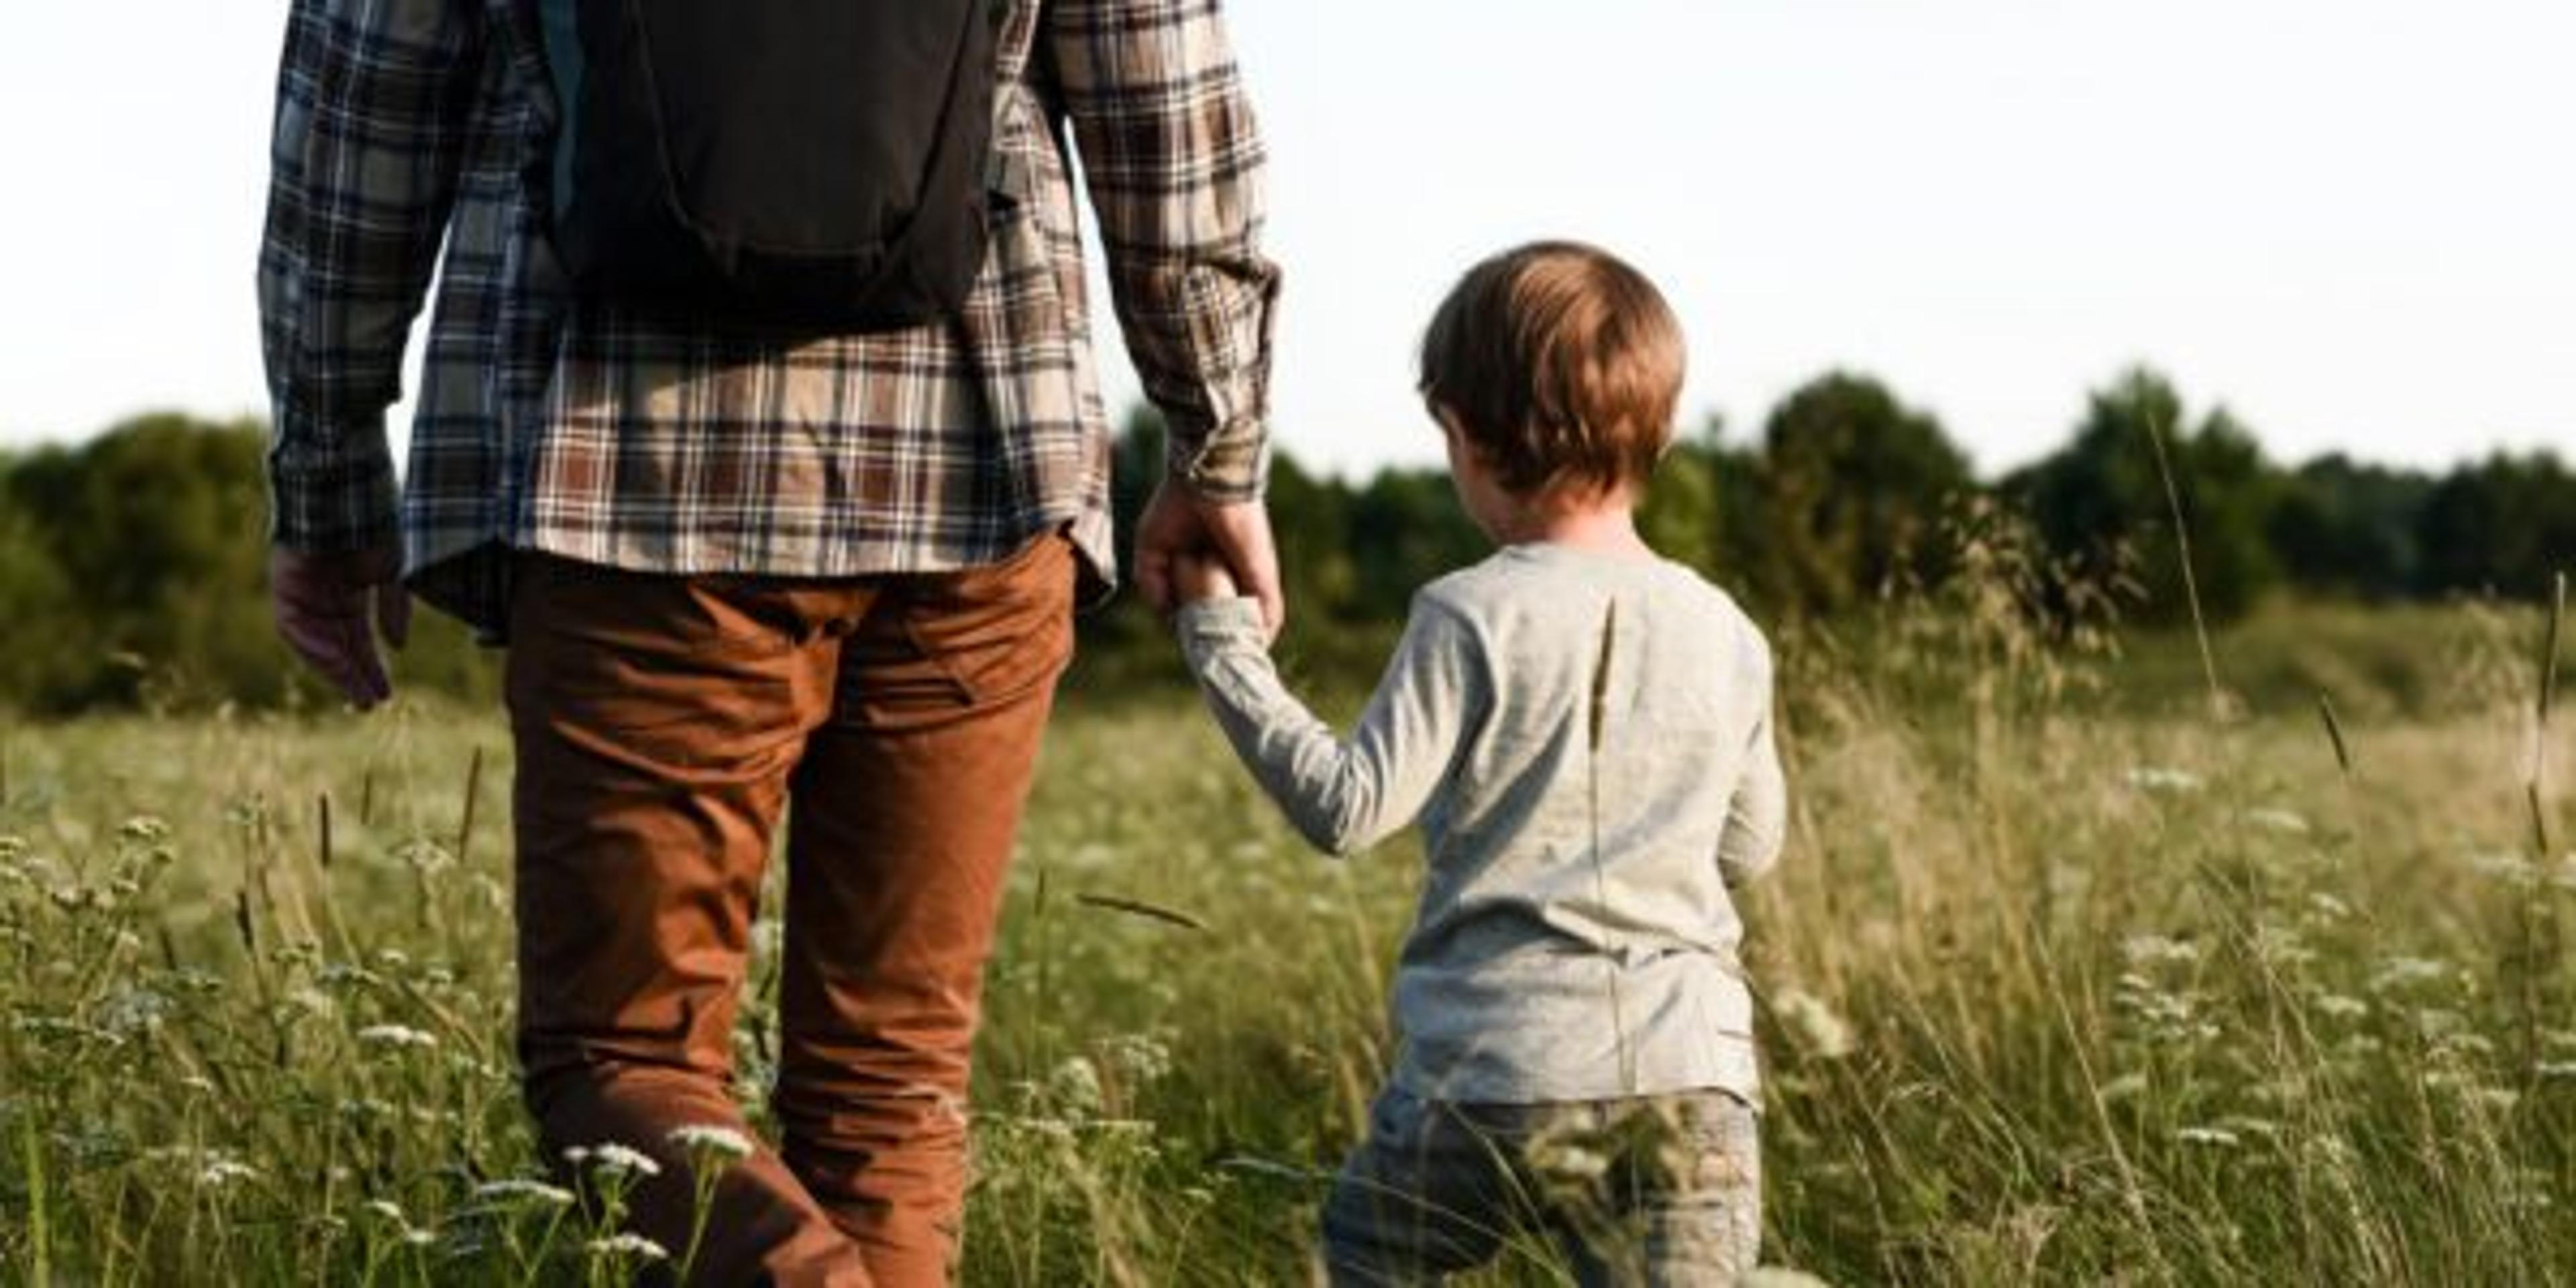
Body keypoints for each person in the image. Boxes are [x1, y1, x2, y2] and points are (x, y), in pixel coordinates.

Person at [258, 0, 1281, 1282]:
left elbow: (360, 115)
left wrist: (329, 467)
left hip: (626, 477)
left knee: (625, 1069)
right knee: (892, 1085)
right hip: (980, 466)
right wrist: (1216, 441)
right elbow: (1166, 106)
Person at [1170, 241, 1783, 1285]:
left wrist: (1222, 645)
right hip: (1693, 1075)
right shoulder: (1726, 631)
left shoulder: (1467, 613)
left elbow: (1349, 809)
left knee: (1365, 1265)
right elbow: (1750, 847)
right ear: (1662, 430)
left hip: (1491, 1073)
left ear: (1465, 435)